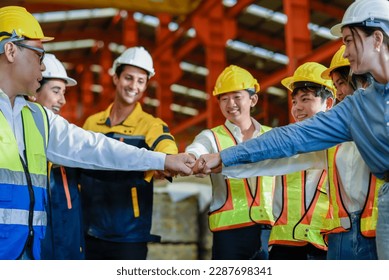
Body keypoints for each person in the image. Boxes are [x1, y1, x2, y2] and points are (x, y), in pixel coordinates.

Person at [194, 0, 389, 260]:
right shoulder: (358, 109)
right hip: (342, 236)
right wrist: (225, 157)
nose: (344, 52)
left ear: (377, 38)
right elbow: (293, 137)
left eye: (349, 41)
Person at [0, 5, 194, 260]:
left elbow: (95, 148)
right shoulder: (88, 120)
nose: (44, 68)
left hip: (30, 251)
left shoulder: (37, 118)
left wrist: (164, 159)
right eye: (39, 55)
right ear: (11, 50)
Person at [219, 62, 334, 260]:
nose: (297, 108)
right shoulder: (285, 145)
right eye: (295, 102)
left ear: (329, 103)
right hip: (283, 245)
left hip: (323, 245)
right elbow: (259, 161)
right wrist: (217, 163)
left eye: (305, 99)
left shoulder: (338, 145)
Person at [79, 46, 179, 260]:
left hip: (129, 237)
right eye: (128, 78)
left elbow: (165, 144)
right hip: (89, 230)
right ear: (116, 78)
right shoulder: (92, 123)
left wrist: (170, 161)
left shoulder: (150, 124)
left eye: (140, 81)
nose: (134, 86)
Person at [185, 65, 275, 260]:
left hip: (272, 228)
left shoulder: (272, 136)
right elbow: (196, 150)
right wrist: (194, 161)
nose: (230, 103)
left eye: (236, 96)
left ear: (253, 99)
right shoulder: (210, 137)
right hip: (229, 233)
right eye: (224, 98)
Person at [320, 45, 383, 260]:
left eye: (342, 83)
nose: (338, 92)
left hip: (376, 231)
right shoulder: (336, 131)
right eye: (335, 85)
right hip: (342, 234)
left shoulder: (382, 121)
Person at [31, 53, 85, 259]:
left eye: (63, 92)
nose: (62, 100)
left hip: (68, 247)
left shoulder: (67, 143)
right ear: (35, 90)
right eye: (56, 91)